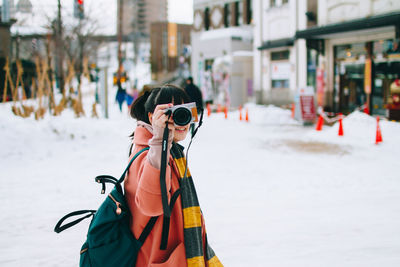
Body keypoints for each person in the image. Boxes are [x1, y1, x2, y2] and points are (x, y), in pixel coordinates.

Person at [125, 84, 223, 267]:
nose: (182, 120)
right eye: (172, 112)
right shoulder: (149, 154)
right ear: (152, 117)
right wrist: (158, 143)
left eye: (186, 111)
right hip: (161, 258)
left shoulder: (170, 151)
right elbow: (151, 206)